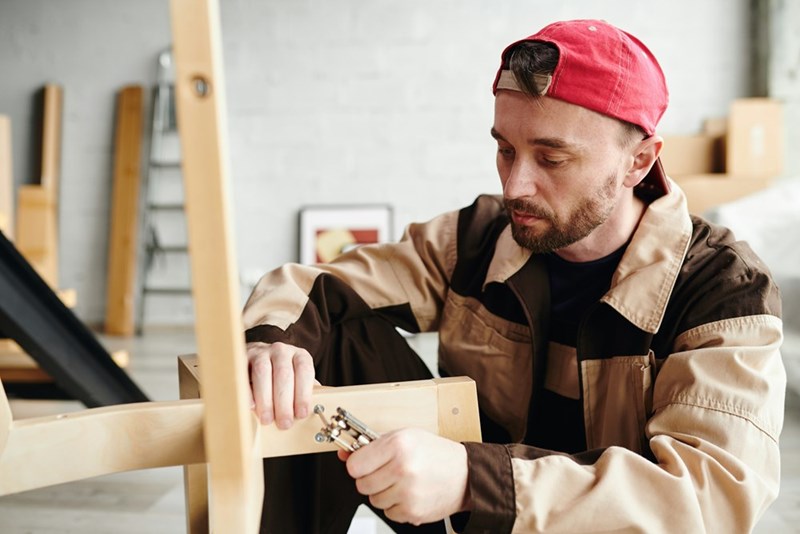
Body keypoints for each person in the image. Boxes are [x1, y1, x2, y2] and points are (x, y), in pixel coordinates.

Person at [243, 18, 786, 533]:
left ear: (639, 162)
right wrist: (270, 344)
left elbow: (707, 497)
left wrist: (474, 481)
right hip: (468, 516)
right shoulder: (477, 238)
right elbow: (315, 284)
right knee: (321, 341)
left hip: (513, 505)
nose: (515, 186)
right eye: (505, 149)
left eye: (551, 159)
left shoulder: (724, 292)